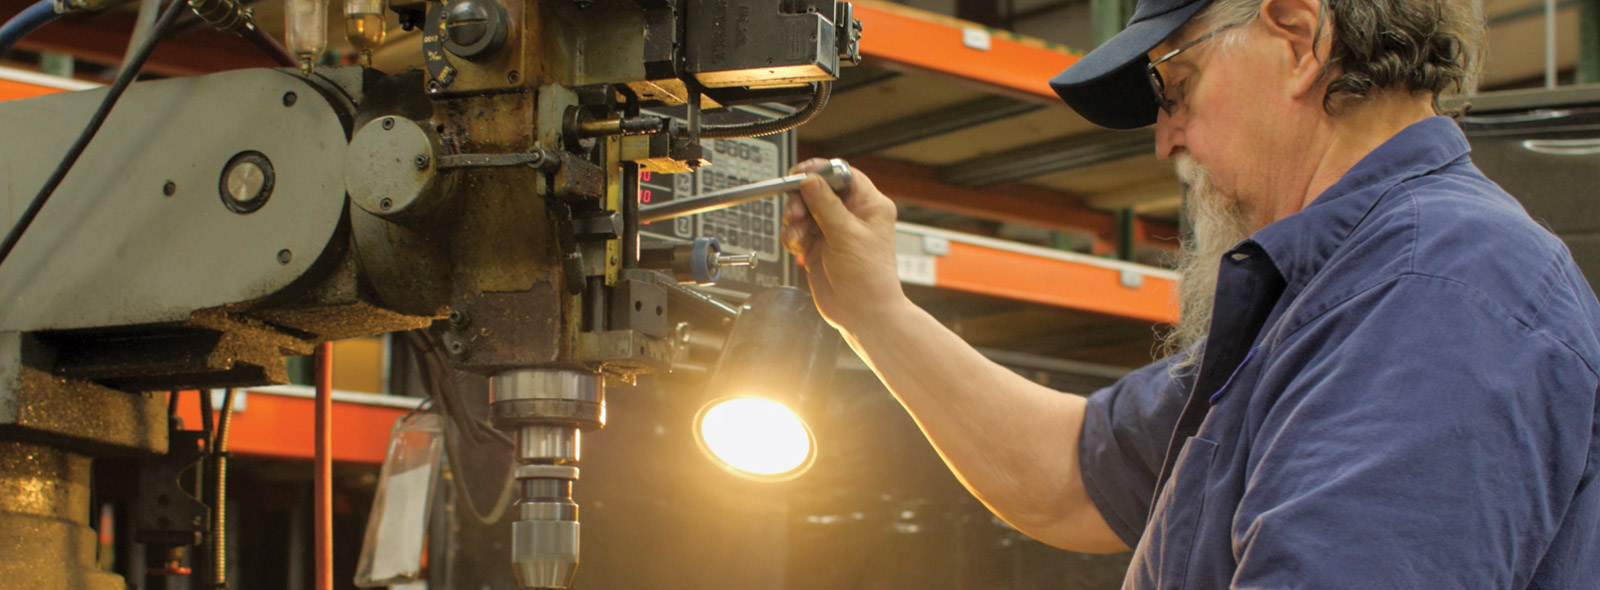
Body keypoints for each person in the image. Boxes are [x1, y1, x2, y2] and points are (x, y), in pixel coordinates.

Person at [779, 0, 1600, 586]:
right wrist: (870, 308)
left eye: (1175, 83)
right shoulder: (1321, 297)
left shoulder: (1433, 292)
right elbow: (1064, 477)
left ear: (1298, 37)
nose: (1167, 135)